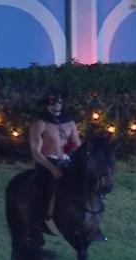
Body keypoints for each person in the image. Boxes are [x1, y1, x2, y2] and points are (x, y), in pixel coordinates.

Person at [28, 89, 80, 236]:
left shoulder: (69, 123)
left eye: (59, 101)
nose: (57, 104)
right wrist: (52, 169)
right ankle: (38, 222)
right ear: (47, 103)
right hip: (47, 162)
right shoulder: (40, 123)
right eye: (53, 101)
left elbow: (77, 145)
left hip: (66, 161)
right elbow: (36, 152)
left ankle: (88, 222)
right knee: (43, 189)